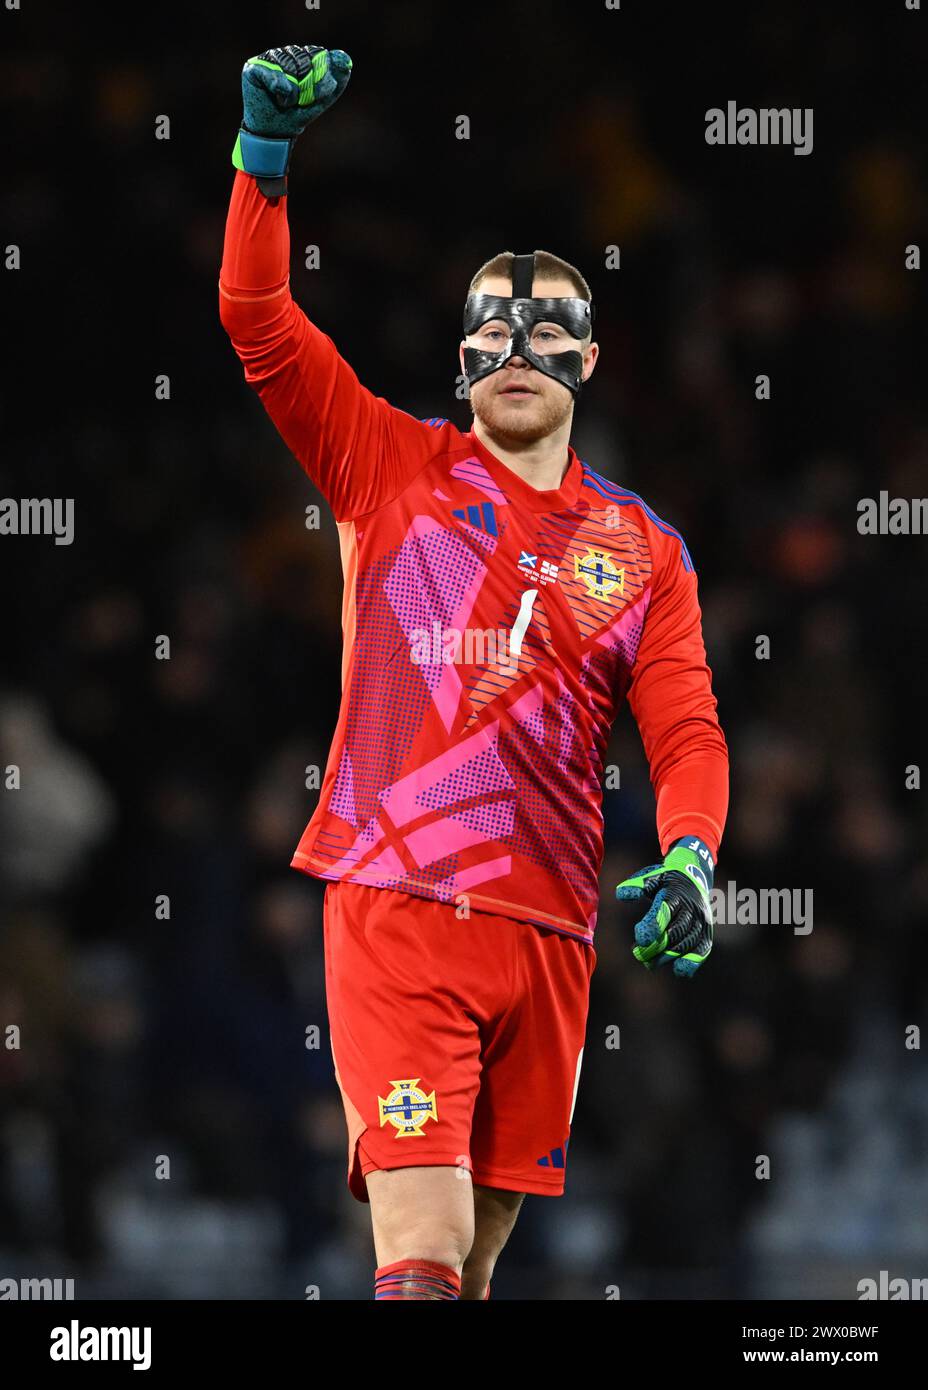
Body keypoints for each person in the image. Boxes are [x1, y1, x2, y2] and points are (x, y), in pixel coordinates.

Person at [219, 44, 729, 1301]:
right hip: (396, 893)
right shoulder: (385, 464)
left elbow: (686, 732)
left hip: (552, 929)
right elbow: (256, 319)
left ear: (588, 364)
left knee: (476, 1263)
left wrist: (690, 856)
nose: (516, 338)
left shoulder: (645, 551)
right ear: (461, 357)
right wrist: (263, 160)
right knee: (423, 1251)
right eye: (491, 324)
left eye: (548, 324)